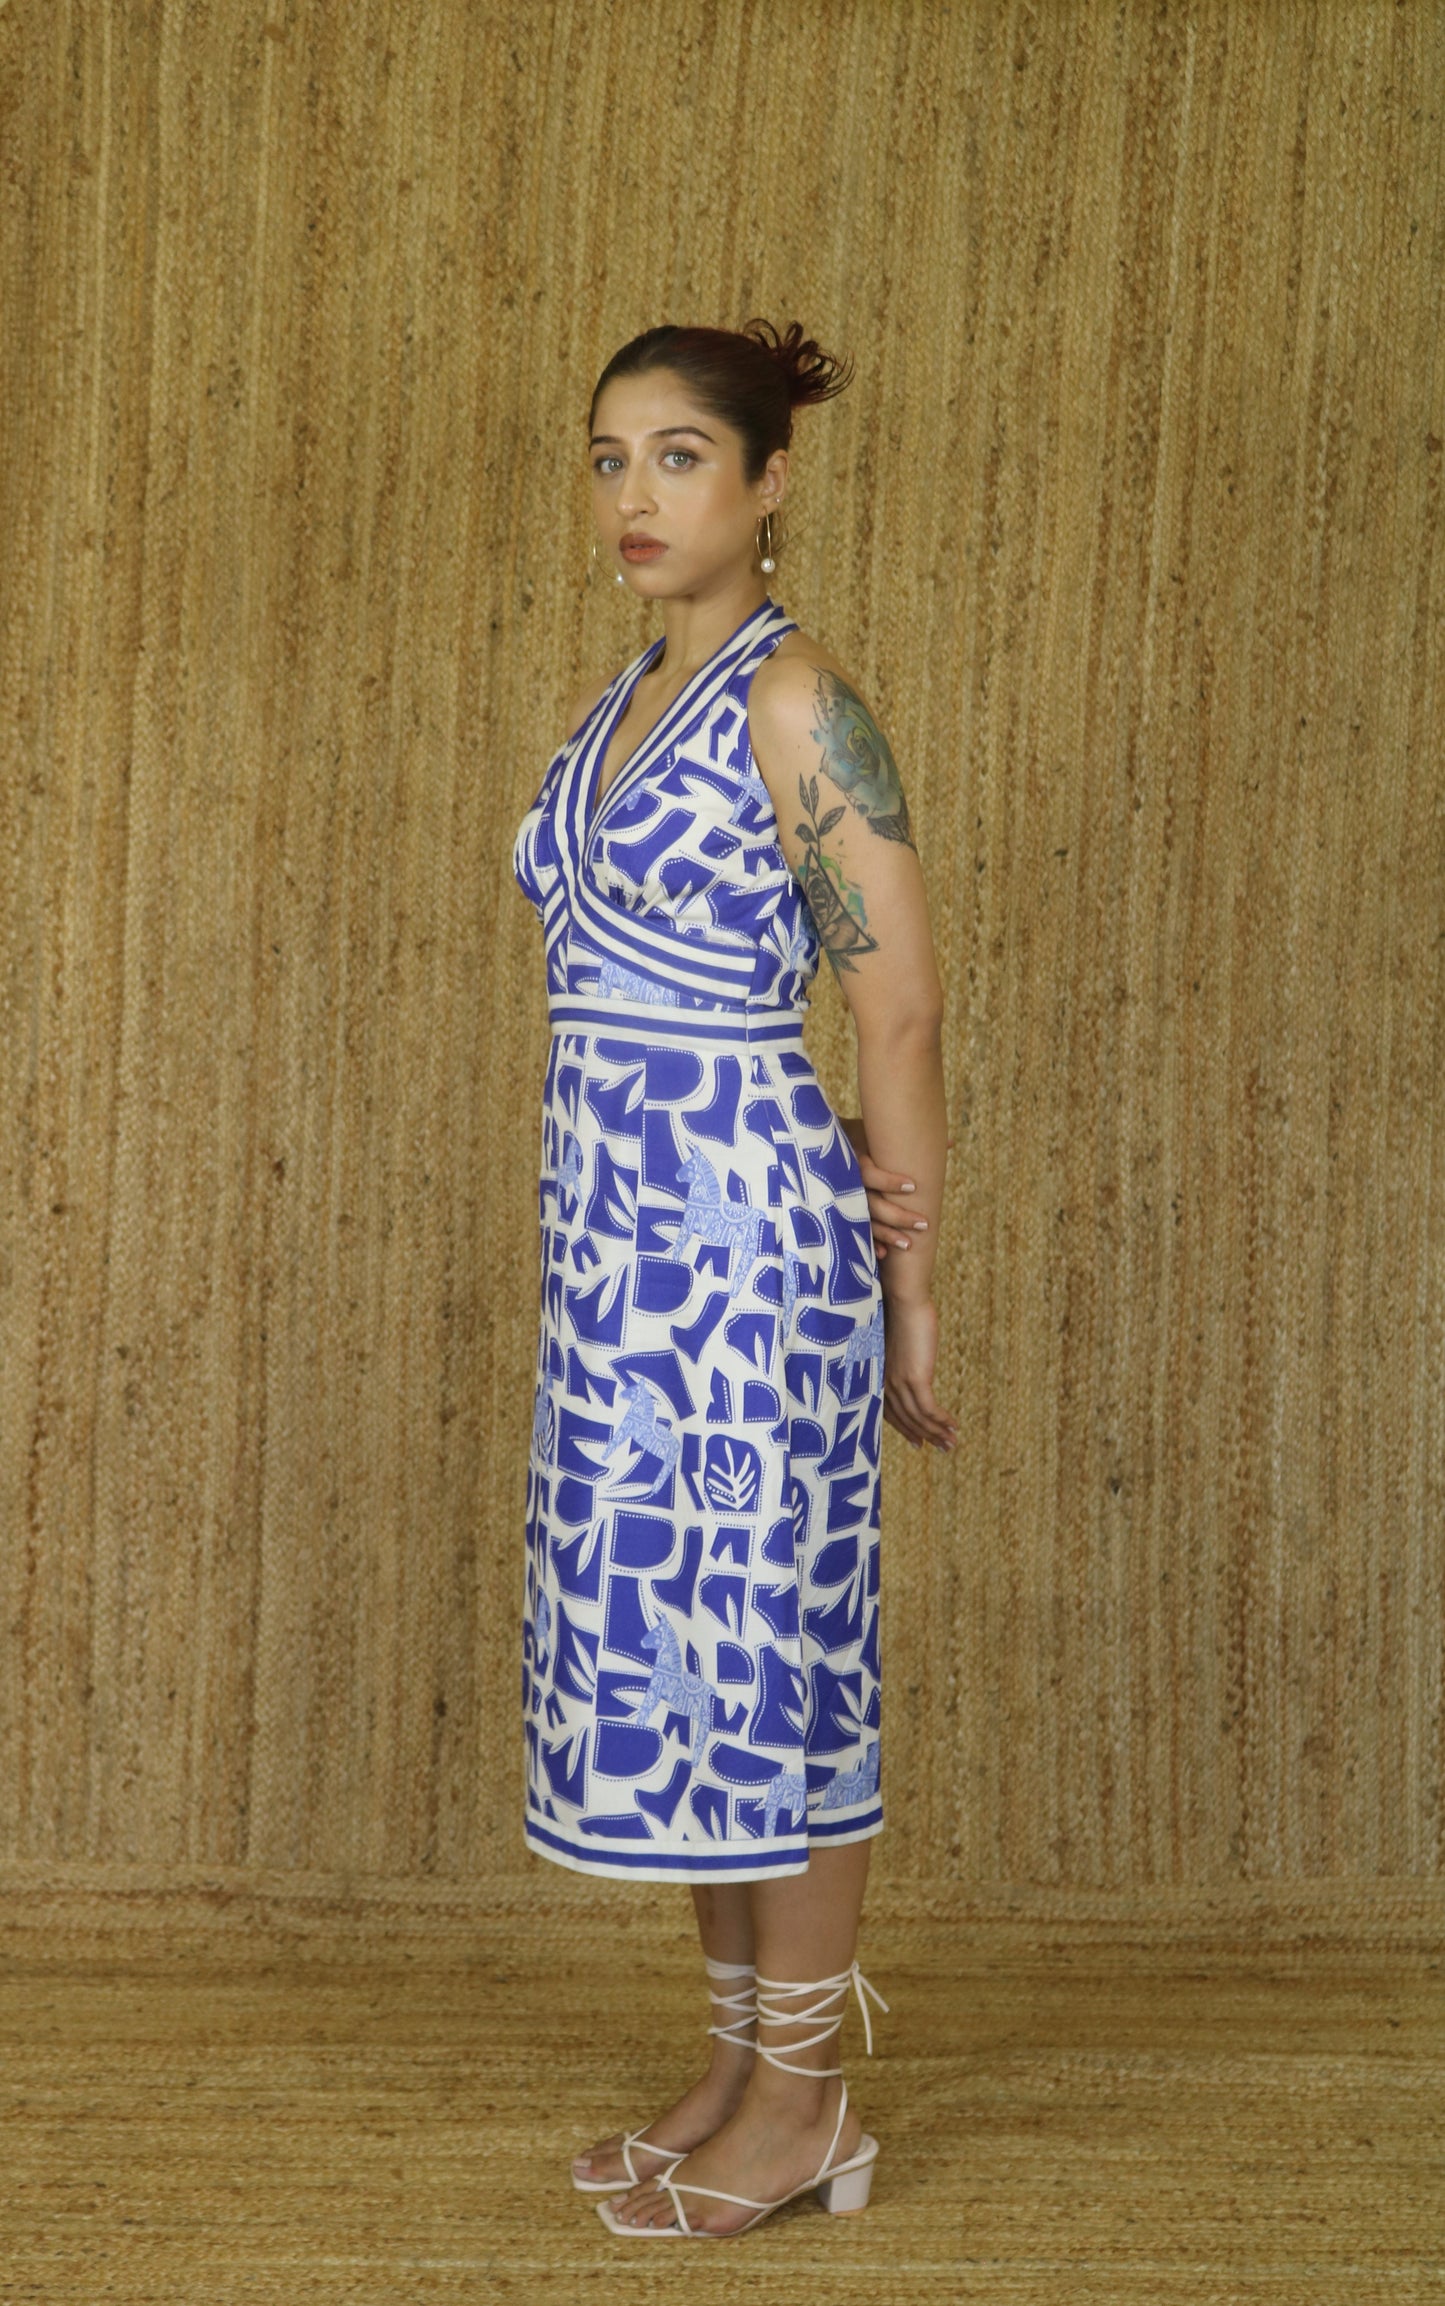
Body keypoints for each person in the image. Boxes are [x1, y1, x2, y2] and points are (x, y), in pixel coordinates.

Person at [511, 318, 955, 2239]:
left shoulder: (795, 702)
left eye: (679, 456)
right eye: (610, 457)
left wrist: (910, 1294)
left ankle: (807, 2098)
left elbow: (896, 1007)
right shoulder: (627, 694)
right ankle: (733, 2065)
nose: (635, 495)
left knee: (775, 1657)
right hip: (617, 1260)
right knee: (688, 1659)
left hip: (746, 1256)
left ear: (769, 483)